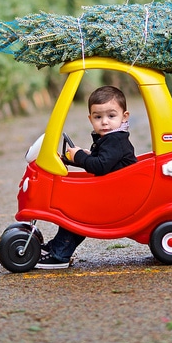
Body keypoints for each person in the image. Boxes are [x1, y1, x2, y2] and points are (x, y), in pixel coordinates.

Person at [35, 85, 138, 269]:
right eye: (98, 117)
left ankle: (60, 254)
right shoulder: (110, 138)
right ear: (90, 119)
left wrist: (80, 157)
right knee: (76, 207)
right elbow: (99, 161)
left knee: (75, 209)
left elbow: (100, 165)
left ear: (124, 116)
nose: (104, 122)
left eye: (111, 116)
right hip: (115, 190)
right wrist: (73, 158)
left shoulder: (116, 139)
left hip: (120, 196)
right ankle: (58, 247)